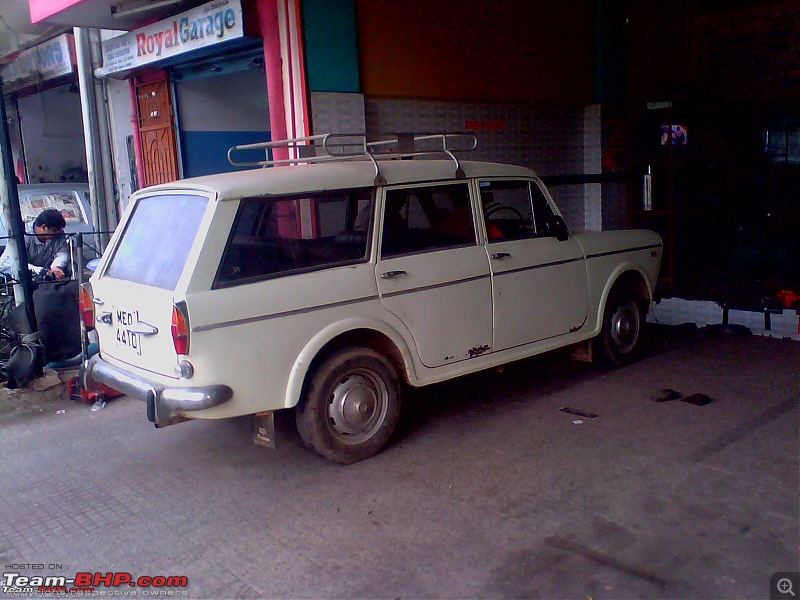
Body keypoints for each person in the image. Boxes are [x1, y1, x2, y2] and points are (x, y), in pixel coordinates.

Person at [0, 208, 69, 281]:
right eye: (55, 230)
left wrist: (56, 267)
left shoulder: (59, 234)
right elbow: (13, 262)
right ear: (43, 227)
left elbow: (62, 253)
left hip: (41, 278)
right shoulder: (24, 234)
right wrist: (41, 271)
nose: (58, 233)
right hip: (11, 277)